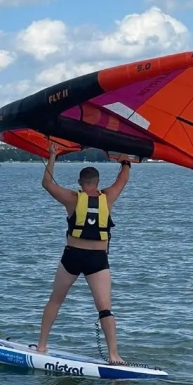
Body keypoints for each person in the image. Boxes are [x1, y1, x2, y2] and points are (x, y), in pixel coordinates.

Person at [36, 141, 131, 364]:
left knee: (55, 301)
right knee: (105, 310)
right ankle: (113, 355)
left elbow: (47, 183)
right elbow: (123, 179)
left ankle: (41, 346)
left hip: (72, 257)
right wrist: (125, 158)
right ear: (97, 183)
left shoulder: (71, 198)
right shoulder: (108, 197)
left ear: (80, 182)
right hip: (97, 261)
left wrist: (52, 155)